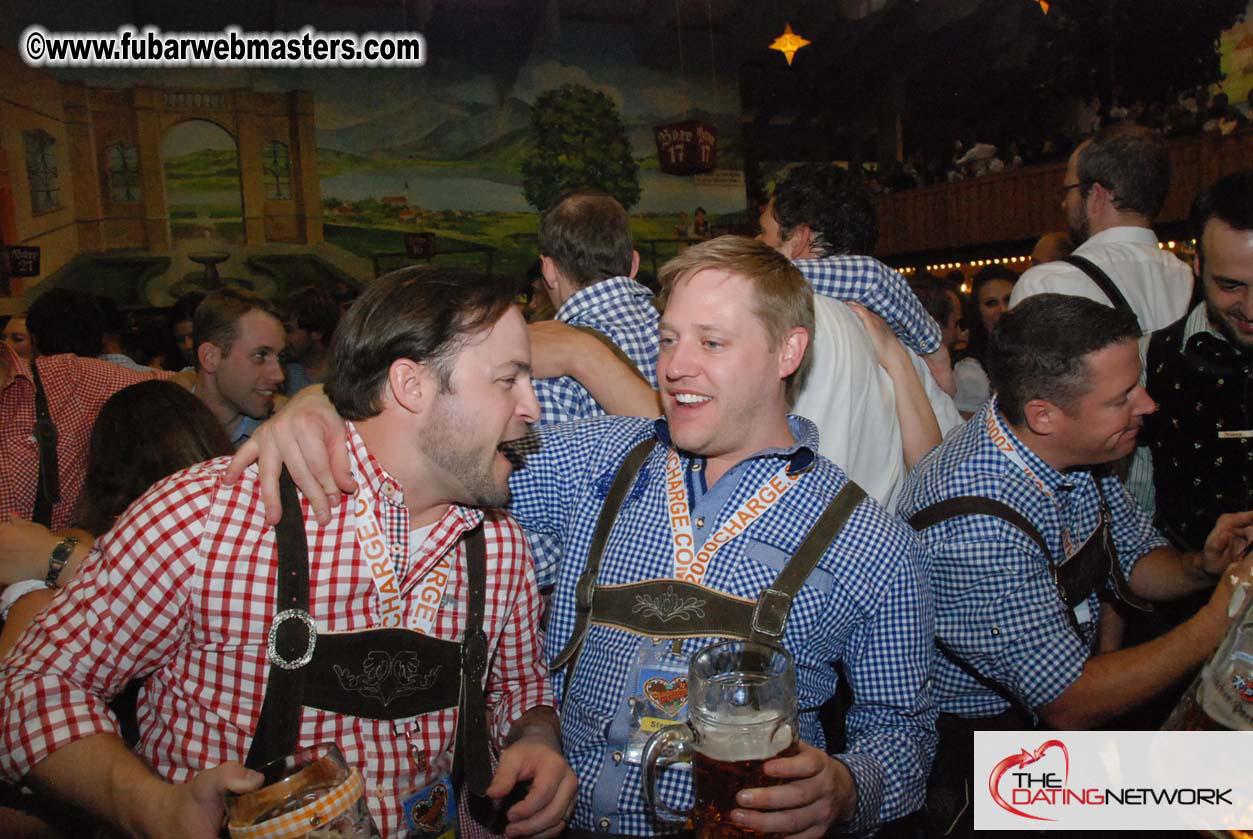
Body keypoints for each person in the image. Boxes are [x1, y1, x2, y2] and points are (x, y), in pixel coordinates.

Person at [228, 237, 939, 836]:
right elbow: (427, 437)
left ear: (789, 351)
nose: (674, 365)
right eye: (667, 337)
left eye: (711, 342)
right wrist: (318, 405)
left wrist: (847, 787)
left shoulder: (871, 541)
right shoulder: (596, 459)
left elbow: (904, 735)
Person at [0, 267, 576, 839]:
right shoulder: (210, 516)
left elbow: (518, 689)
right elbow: (35, 685)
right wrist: (153, 809)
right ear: (412, 385)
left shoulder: (499, 545)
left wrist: (535, 739)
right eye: (509, 380)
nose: (533, 407)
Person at [897, 294, 1253, 832]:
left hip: (1055, 732)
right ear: (1044, 414)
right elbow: (1069, 700)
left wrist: (1201, 568)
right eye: (1123, 397)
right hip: (987, 758)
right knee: (1223, 793)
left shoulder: (1073, 450)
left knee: (1226, 789)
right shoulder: (976, 527)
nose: (1149, 404)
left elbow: (1134, 563)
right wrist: (1223, 614)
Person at [760, 163, 962, 508]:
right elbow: (944, 466)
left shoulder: (799, 329)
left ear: (800, 239)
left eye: (763, 234)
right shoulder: (901, 340)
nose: (755, 246)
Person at [1010, 124, 1192, 333]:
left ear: (1096, 196)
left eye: (1069, 190)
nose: (1064, 204)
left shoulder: (1045, 286)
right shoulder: (1192, 281)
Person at [192, 287, 287, 448]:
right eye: (260, 355)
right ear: (210, 357)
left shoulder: (282, 435)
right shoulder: (157, 434)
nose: (279, 375)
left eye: (280, 357)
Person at [953, 266, 1017, 418]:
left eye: (1009, 299)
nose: (1002, 310)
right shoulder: (970, 373)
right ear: (978, 312)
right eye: (991, 303)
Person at [281, 285, 340, 395]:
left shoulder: (346, 374)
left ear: (317, 332)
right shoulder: (283, 373)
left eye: (289, 330)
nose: (283, 337)